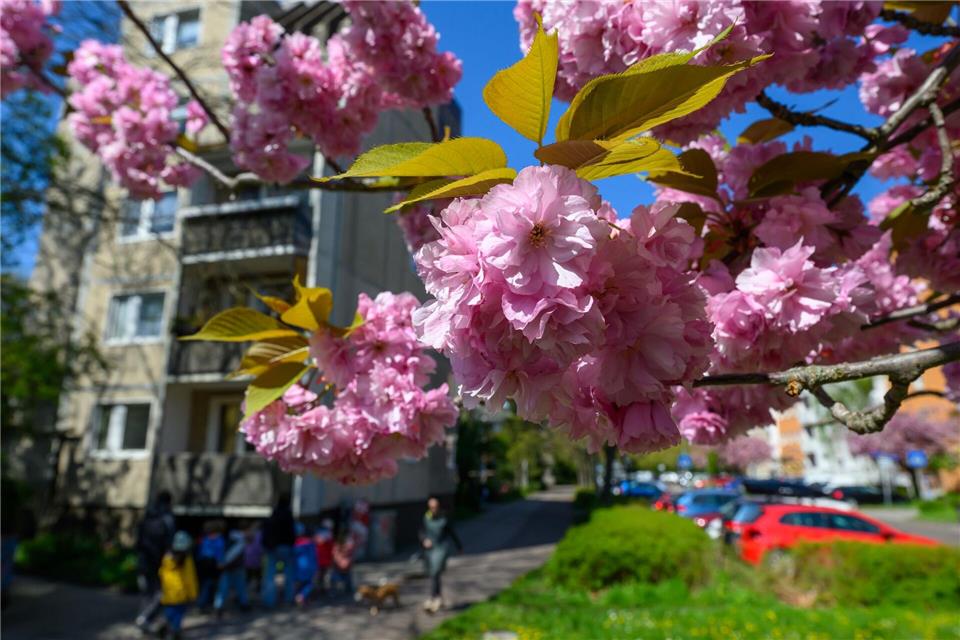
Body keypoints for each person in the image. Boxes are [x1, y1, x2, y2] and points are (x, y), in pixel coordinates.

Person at [134, 491, 175, 631]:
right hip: (158, 564)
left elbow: (138, 541)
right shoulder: (167, 518)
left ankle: (145, 621)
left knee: (147, 594)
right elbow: (170, 544)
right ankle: (145, 618)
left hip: (143, 561)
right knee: (161, 595)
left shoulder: (147, 516)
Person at [419, 497, 462, 613]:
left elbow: (452, 532)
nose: (433, 509)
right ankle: (438, 596)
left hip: (441, 548)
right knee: (434, 573)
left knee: (435, 571)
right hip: (430, 549)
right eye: (431, 507)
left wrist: (459, 547)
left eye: (435, 507)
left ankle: (433, 597)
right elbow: (421, 532)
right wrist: (424, 540)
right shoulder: (426, 517)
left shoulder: (444, 518)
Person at [158, 531, 198, 639]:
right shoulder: (187, 559)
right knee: (178, 614)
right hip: (181, 593)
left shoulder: (167, 557)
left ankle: (166, 627)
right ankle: (175, 632)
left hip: (168, 592)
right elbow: (190, 579)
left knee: (169, 613)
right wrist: (193, 594)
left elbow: (161, 572)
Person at [261, 493, 296, 607]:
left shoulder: (273, 515)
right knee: (289, 574)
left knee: (270, 575)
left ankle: (269, 601)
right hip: (285, 547)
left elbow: (266, 531)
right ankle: (288, 599)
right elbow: (292, 532)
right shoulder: (288, 516)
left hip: (272, 548)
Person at [214, 527, 250, 617]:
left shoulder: (224, 539)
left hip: (228, 567)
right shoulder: (240, 539)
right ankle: (244, 604)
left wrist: (222, 563)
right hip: (237, 567)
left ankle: (218, 606)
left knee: (223, 589)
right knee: (240, 587)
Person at [196, 520, 226, 611]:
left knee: (205, 586)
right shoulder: (219, 540)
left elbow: (200, 553)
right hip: (214, 566)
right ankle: (217, 605)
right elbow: (220, 554)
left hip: (204, 565)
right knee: (217, 587)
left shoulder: (204, 540)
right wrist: (220, 563)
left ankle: (202, 604)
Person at [292, 523, 317, 606]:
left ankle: (298, 597)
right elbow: (314, 556)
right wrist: (315, 569)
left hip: (298, 568)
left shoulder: (295, 543)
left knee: (298, 585)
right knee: (309, 584)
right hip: (309, 568)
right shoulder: (311, 543)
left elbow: (293, 555)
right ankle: (301, 597)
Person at [329, 527, 356, 595]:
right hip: (344, 564)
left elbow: (335, 554)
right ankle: (346, 590)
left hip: (342, 564)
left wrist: (339, 561)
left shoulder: (339, 543)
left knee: (336, 578)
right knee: (343, 578)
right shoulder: (348, 543)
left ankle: (336, 591)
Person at [313, 518, 334, 595]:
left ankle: (318, 590)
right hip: (325, 559)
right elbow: (331, 548)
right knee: (325, 576)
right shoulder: (329, 535)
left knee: (319, 576)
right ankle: (324, 590)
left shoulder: (318, 534)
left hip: (319, 558)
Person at [243, 525, 263, 595]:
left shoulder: (248, 533)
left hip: (248, 559)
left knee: (248, 577)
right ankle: (258, 589)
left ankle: (245, 592)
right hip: (257, 559)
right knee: (258, 576)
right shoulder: (260, 535)